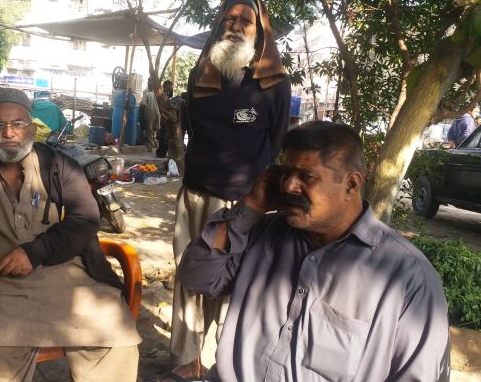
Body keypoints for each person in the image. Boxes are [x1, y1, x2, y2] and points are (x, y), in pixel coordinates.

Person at [179, 121, 451, 381]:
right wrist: (250, 206)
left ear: (351, 185)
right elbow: (197, 277)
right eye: (285, 173)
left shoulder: (409, 280)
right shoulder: (263, 233)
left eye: (306, 176)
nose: (288, 186)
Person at [0, 88, 140, 382]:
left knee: (114, 338)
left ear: (32, 128)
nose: (9, 133)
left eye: (18, 123)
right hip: (0, 284)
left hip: (69, 280)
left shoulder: (60, 166)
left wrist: (36, 251)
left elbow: (86, 219)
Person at [165, 0, 291, 381]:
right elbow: (194, 130)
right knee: (187, 275)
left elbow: (276, 142)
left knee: (232, 284)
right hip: (194, 193)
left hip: (241, 204)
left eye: (245, 20)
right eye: (229, 18)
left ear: (259, 30)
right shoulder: (201, 74)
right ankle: (187, 361)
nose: (235, 25)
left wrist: (254, 195)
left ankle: (227, 366)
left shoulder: (274, 83)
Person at [141, 78, 161, 152]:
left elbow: (143, 103)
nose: (149, 83)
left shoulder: (146, 93)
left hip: (150, 112)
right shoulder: (158, 91)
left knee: (150, 129)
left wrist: (143, 107)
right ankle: (154, 141)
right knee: (155, 128)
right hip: (158, 112)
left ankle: (151, 144)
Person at [156, 80, 174, 158]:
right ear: (166, 86)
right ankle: (161, 152)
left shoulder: (167, 94)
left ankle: (161, 152)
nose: (171, 88)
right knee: (163, 136)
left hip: (165, 118)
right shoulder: (163, 94)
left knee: (164, 136)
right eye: (170, 86)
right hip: (164, 118)